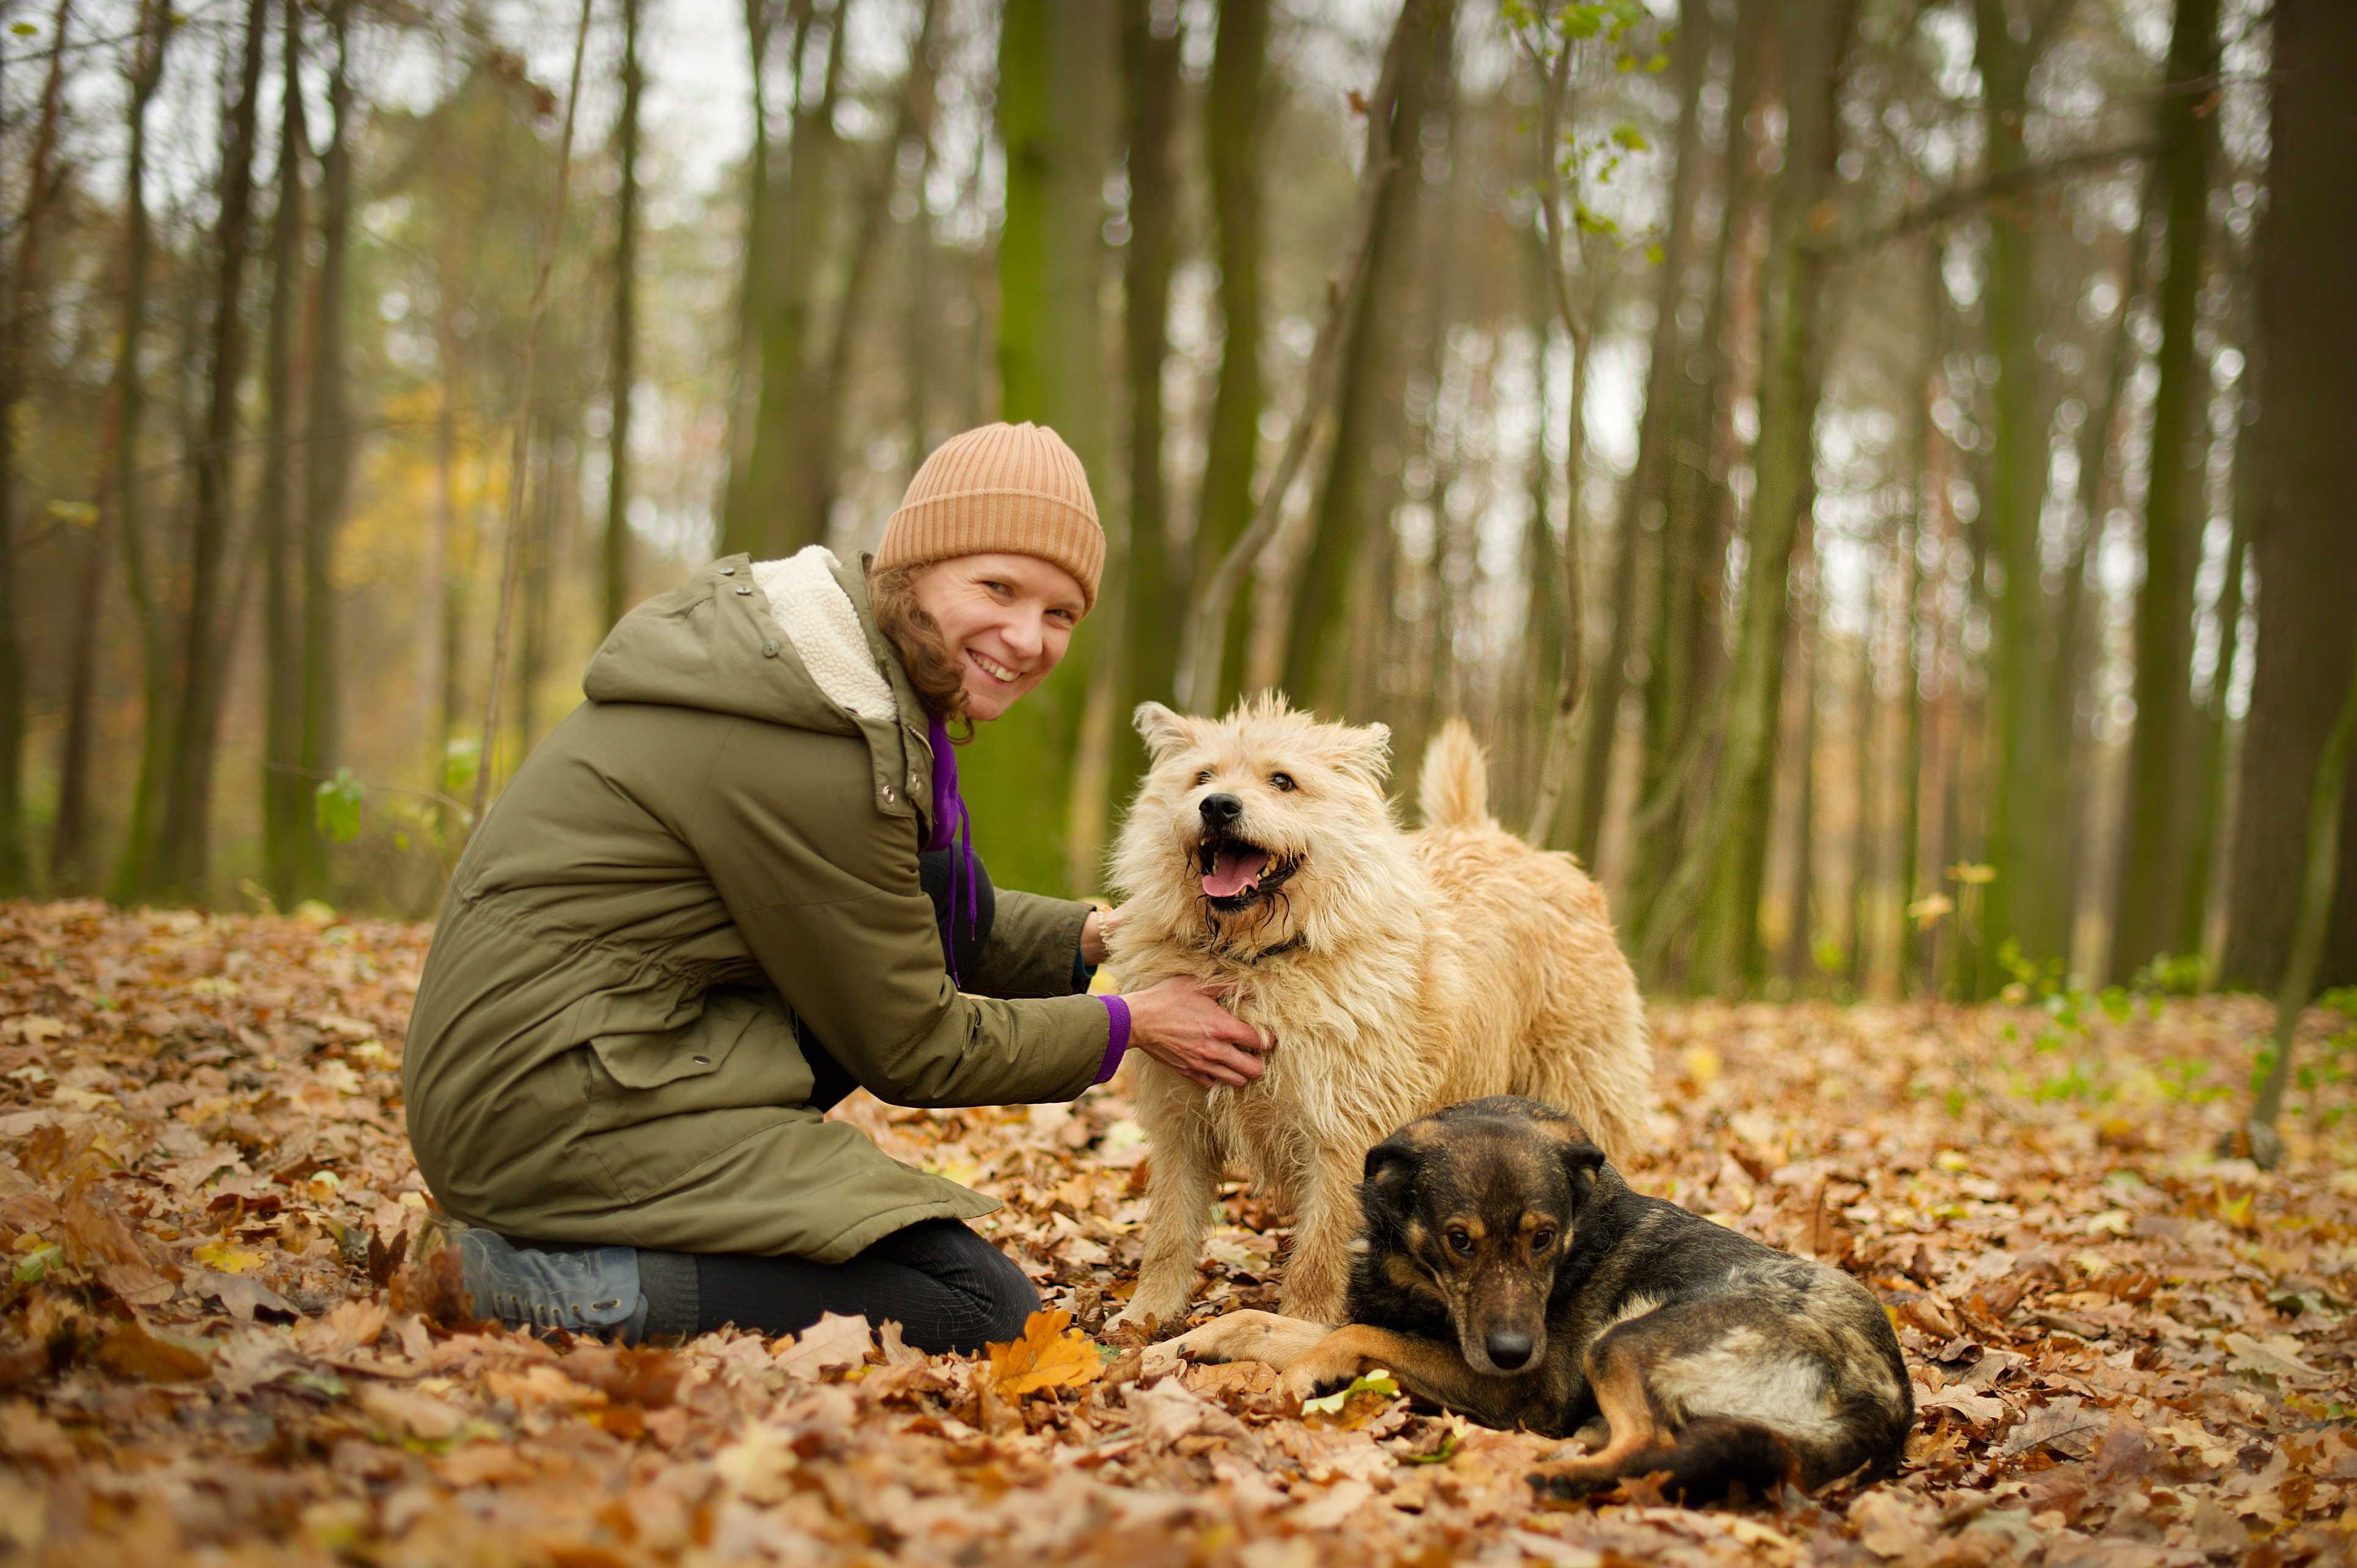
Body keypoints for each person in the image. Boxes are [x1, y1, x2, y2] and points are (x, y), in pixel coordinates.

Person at [402, 422, 1267, 1351]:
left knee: (927, 1272)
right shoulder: (814, 736)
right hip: (546, 1103)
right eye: (998, 588)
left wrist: (1101, 934)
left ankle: (566, 1236)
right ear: (914, 566)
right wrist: (1132, 1022)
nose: (1027, 637)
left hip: (583, 1063)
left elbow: (921, 919)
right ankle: (530, 1286)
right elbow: (914, 1043)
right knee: (976, 1308)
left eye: (1061, 613)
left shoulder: (850, 681)